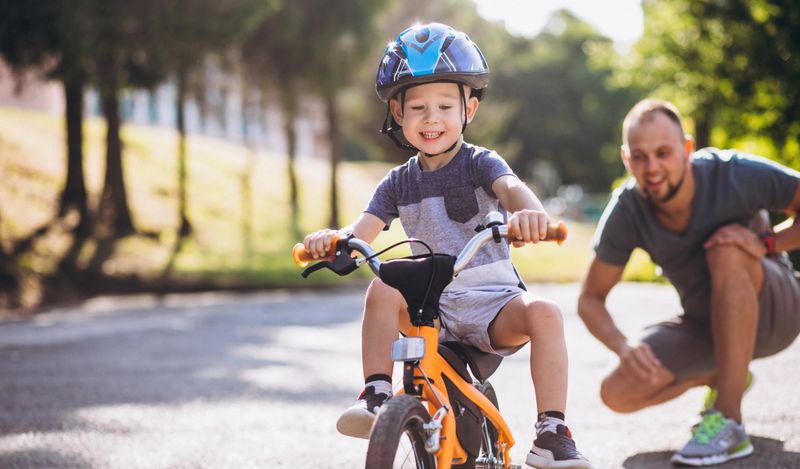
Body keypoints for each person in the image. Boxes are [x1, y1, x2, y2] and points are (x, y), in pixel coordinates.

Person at [302, 23, 593, 469]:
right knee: (381, 288)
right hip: (429, 307)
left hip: (492, 304)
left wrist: (530, 215)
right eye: (417, 107)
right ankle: (377, 394)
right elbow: (361, 230)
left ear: (469, 109)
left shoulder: (480, 163)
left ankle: (552, 430)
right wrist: (333, 240)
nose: (431, 118)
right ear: (398, 114)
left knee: (545, 313)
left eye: (443, 105)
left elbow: (513, 190)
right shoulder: (398, 181)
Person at [578, 98, 800, 466]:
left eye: (663, 153)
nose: (652, 167)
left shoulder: (734, 174)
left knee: (726, 245)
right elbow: (590, 298)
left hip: (777, 312)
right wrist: (623, 346)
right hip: (705, 325)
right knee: (616, 391)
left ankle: (728, 420)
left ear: (686, 149)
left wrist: (766, 243)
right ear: (626, 158)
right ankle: (729, 376)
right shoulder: (629, 208)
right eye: (640, 156)